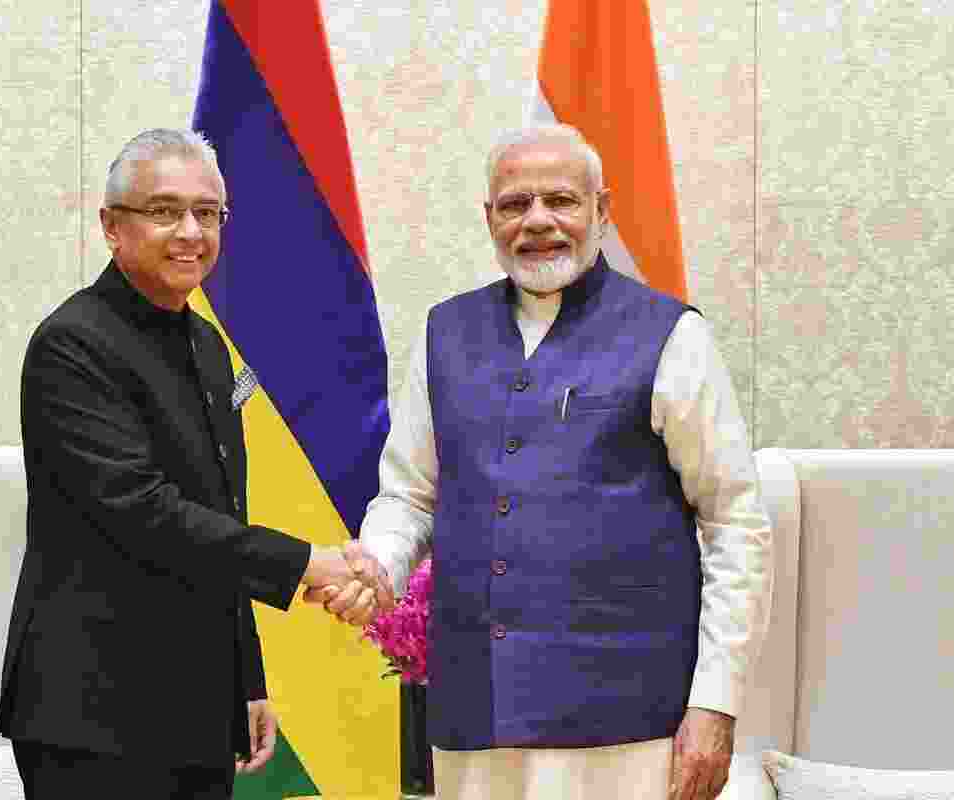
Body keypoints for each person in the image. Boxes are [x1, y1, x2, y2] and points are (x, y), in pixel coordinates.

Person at [318, 124, 773, 800]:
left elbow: (736, 520)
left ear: (602, 210)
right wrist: (378, 567)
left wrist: (716, 702)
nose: (537, 221)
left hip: (628, 723)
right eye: (514, 204)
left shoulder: (672, 334)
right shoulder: (446, 332)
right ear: (489, 218)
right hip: (477, 716)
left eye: (560, 200)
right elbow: (411, 495)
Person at [0, 128, 387, 800]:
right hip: (94, 713)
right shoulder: (73, 346)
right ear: (112, 227)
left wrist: (248, 679)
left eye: (207, 214)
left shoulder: (206, 344)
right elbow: (142, 510)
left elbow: (218, 517)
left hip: (198, 711)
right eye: (163, 211)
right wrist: (305, 564)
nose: (189, 232)